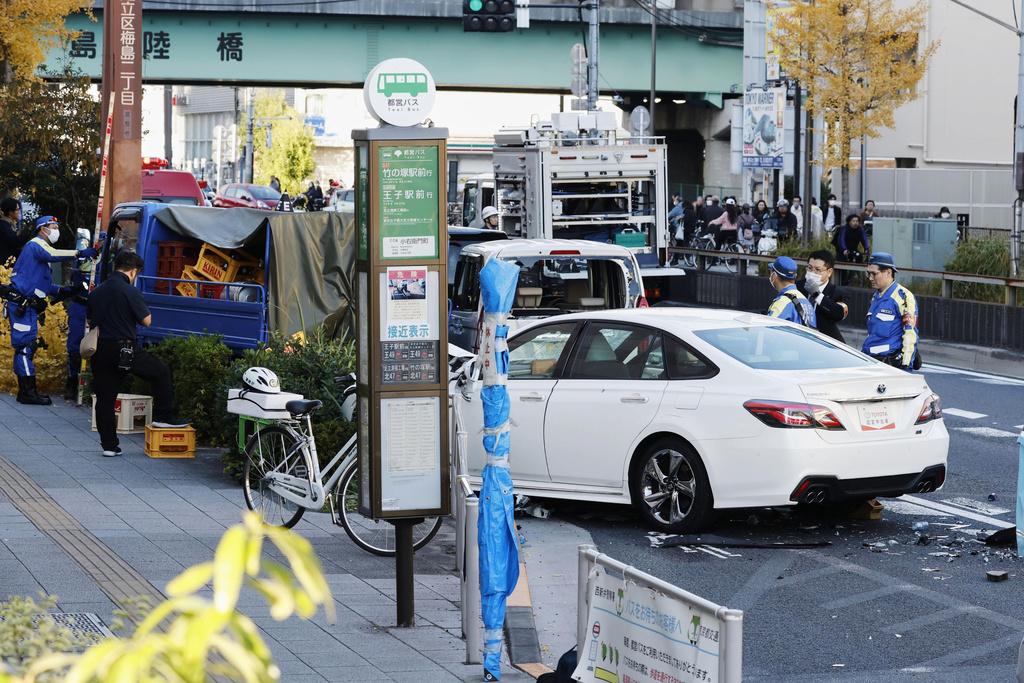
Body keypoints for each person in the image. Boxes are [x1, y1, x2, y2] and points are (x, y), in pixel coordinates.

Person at [87, 250, 188, 457]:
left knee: (105, 399)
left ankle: (109, 446)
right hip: (125, 349)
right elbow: (146, 321)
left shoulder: (97, 291)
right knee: (161, 372)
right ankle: (162, 417)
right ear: (133, 272)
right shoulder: (129, 291)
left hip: (99, 349)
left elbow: (90, 321)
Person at [4, 216, 96, 405]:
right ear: (42, 229)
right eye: (54, 226)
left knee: (26, 347)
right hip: (22, 305)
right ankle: (28, 392)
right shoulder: (36, 245)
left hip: (26, 307)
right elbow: (53, 254)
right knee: (24, 348)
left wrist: (67, 290)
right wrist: (79, 253)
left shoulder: (38, 254)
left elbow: (43, 286)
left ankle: (26, 392)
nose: (56, 230)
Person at [863, 252, 919, 372]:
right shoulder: (876, 297)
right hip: (870, 362)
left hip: (889, 366)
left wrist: (906, 366)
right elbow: (872, 332)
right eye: (868, 273)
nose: (870, 278)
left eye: (874, 274)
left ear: (888, 272)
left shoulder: (903, 297)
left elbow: (910, 333)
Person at [796, 250, 849, 343]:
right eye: (809, 268)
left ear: (829, 272)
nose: (812, 273)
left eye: (818, 270)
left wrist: (817, 296)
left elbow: (839, 314)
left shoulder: (838, 293)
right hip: (800, 339)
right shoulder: (798, 286)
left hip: (825, 343)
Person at [64, 263, 91, 399]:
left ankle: (90, 386)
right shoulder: (83, 255)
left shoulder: (113, 255)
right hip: (80, 307)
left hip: (100, 307)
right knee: (75, 351)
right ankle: (71, 384)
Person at [766, 256, 816, 327]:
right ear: (795, 276)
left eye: (771, 271)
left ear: (774, 275)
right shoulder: (807, 303)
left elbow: (769, 330)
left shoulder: (782, 303)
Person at [832, 214, 869, 285]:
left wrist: (866, 248)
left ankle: (853, 276)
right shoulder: (845, 229)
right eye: (853, 221)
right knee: (843, 264)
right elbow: (841, 240)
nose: (856, 223)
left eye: (857, 221)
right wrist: (844, 249)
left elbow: (864, 239)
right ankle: (842, 282)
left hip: (853, 248)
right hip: (842, 250)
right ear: (849, 222)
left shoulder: (860, 229)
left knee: (859, 257)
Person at [0, 198, 30, 267]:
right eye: (17, 209)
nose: (19, 212)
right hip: (5, 267)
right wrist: (27, 234)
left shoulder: (10, 225)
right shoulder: (4, 226)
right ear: (10, 211)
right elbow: (13, 242)